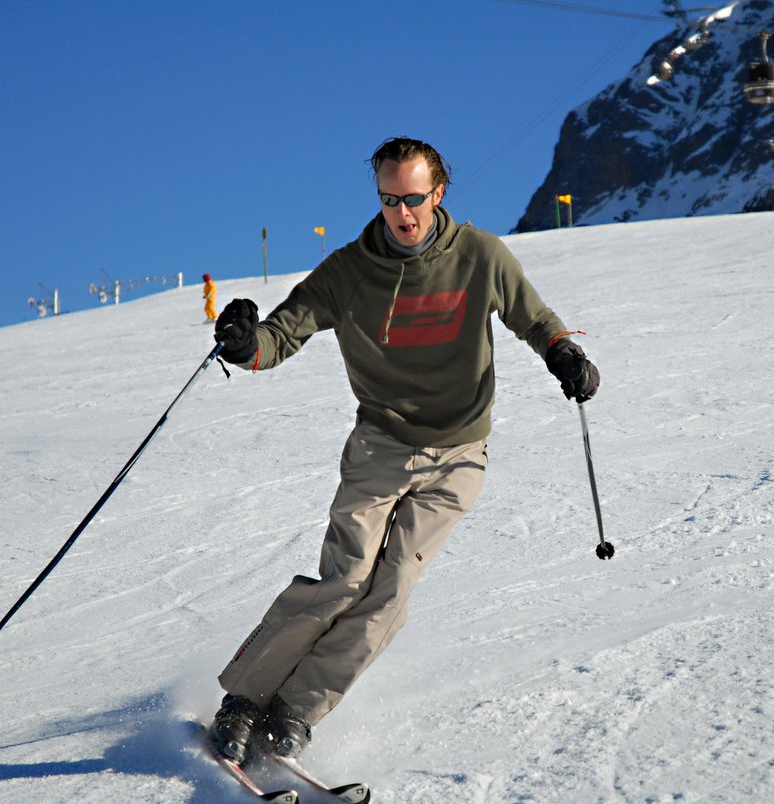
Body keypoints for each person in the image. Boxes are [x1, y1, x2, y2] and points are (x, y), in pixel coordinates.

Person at [208, 137, 600, 762]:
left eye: (414, 199)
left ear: (438, 193)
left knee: (390, 592)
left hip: (459, 455)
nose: (403, 213)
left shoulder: (479, 256)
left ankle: (295, 711)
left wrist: (564, 353)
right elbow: (280, 335)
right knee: (346, 580)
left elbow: (533, 317)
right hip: (381, 446)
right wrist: (243, 344)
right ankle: (243, 701)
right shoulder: (349, 271)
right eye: (389, 200)